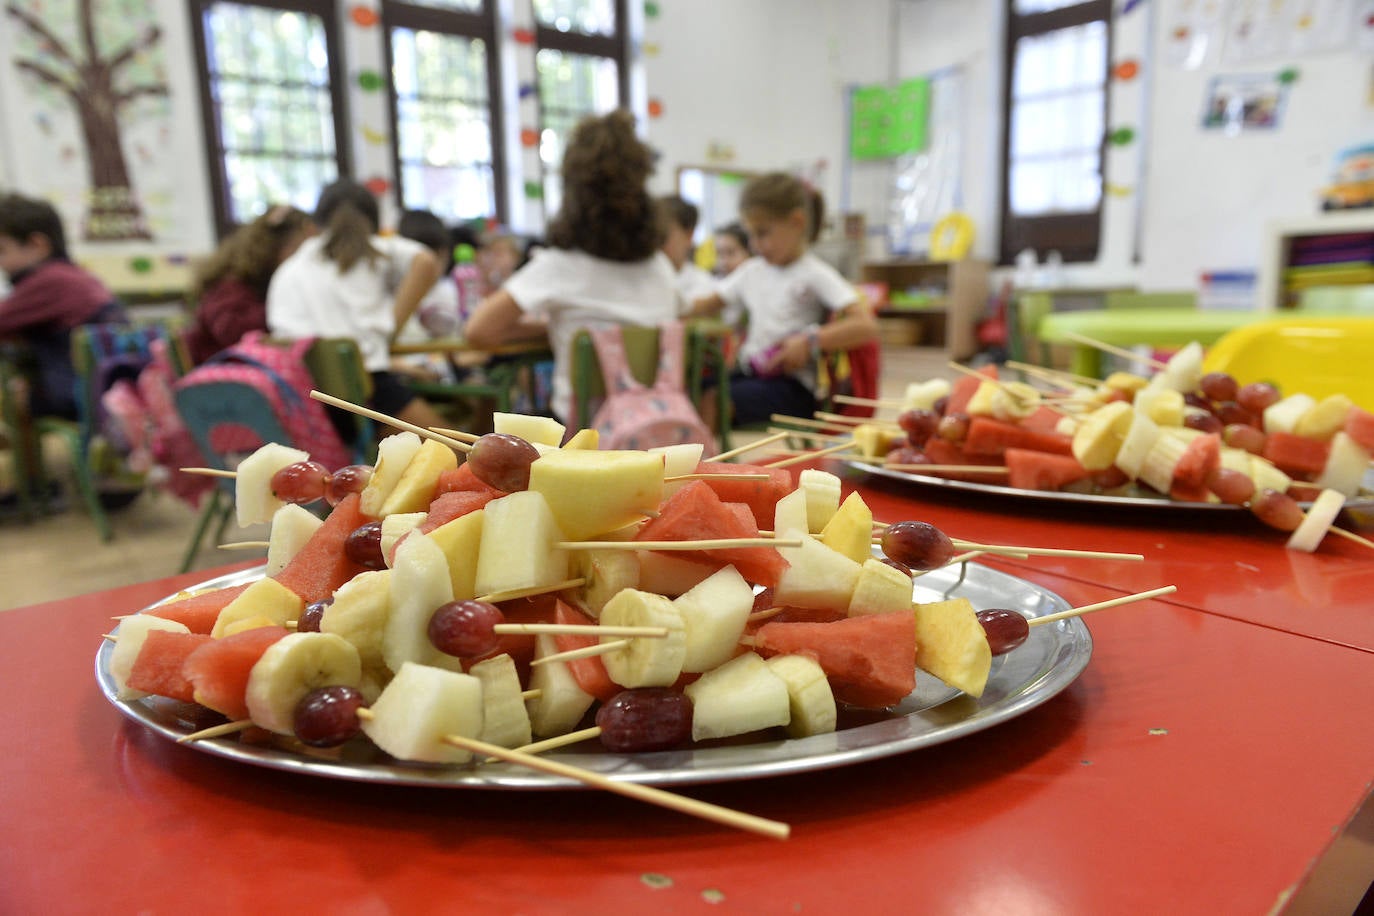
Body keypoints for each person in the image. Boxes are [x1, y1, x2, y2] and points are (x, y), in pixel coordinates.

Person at [463, 109, 680, 425]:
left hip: (583, 434)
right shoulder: (659, 266)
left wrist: (562, 328)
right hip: (656, 426)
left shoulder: (557, 267)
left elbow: (478, 332)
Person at [689, 172, 876, 427]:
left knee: (713, 398)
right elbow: (706, 305)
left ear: (797, 222)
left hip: (793, 386)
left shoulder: (814, 273)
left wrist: (810, 340)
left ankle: (702, 453)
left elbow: (865, 327)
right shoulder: (752, 270)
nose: (755, 244)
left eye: (763, 233)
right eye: (751, 235)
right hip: (752, 372)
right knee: (693, 387)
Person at [266, 178, 446, 430]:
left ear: (312, 226)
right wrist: (391, 329)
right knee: (452, 447)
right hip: (366, 388)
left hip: (304, 397)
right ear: (375, 223)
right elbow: (426, 261)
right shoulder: (374, 249)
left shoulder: (289, 269)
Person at [0, 193, 126, 420]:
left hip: (78, 396)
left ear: (37, 245)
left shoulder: (50, 281)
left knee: (13, 396)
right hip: (100, 391)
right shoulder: (70, 275)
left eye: (2, 250)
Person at [183, 204, 313, 365]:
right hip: (225, 373)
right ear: (274, 247)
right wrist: (282, 309)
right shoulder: (230, 285)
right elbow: (231, 332)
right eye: (300, 249)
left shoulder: (250, 283)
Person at [658, 194, 717, 307]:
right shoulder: (640, 278)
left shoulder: (705, 287)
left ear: (689, 235)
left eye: (663, 236)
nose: (655, 243)